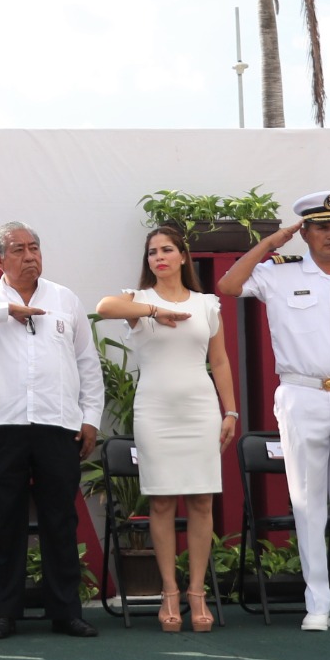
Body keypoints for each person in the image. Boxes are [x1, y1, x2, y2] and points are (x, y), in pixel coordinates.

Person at [217, 191, 330, 631]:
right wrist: (274, 241)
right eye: (321, 227)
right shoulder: (279, 274)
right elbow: (228, 285)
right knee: (308, 501)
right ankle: (317, 602)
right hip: (303, 394)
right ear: (306, 232)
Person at [0, 221, 104, 640]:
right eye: (18, 249)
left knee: (59, 520)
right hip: (4, 425)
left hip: (58, 425)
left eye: (34, 248)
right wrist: (6, 311)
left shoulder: (64, 299)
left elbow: (87, 363)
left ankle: (66, 611)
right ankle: (3, 612)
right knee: (5, 521)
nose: (29, 256)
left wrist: (91, 417)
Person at [96, 225, 238, 633]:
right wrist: (154, 311)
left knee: (201, 502)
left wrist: (231, 412)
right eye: (152, 252)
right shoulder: (137, 300)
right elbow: (104, 307)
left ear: (182, 256)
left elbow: (221, 362)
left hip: (200, 408)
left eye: (166, 249)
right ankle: (169, 592)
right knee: (160, 502)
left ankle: (197, 593)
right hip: (155, 409)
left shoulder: (207, 303)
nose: (158, 257)